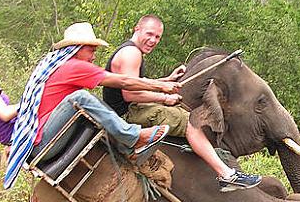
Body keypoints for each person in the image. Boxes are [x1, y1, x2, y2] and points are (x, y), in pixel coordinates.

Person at [3, 22, 180, 189]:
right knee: (81, 98)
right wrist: (162, 89)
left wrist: (164, 81)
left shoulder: (63, 66)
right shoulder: (74, 67)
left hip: (45, 142)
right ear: (76, 49)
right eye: (91, 50)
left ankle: (125, 148)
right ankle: (134, 137)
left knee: (92, 107)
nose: (94, 56)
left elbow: (129, 81)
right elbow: (124, 81)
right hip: (45, 145)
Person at [103, 14, 262, 192]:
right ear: (137, 29)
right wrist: (164, 97)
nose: (153, 40)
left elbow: (138, 81)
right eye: (149, 34)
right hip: (127, 115)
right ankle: (226, 175)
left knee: (179, 110)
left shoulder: (129, 50)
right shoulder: (131, 54)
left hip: (130, 109)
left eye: (157, 37)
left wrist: (167, 80)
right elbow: (130, 94)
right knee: (191, 122)